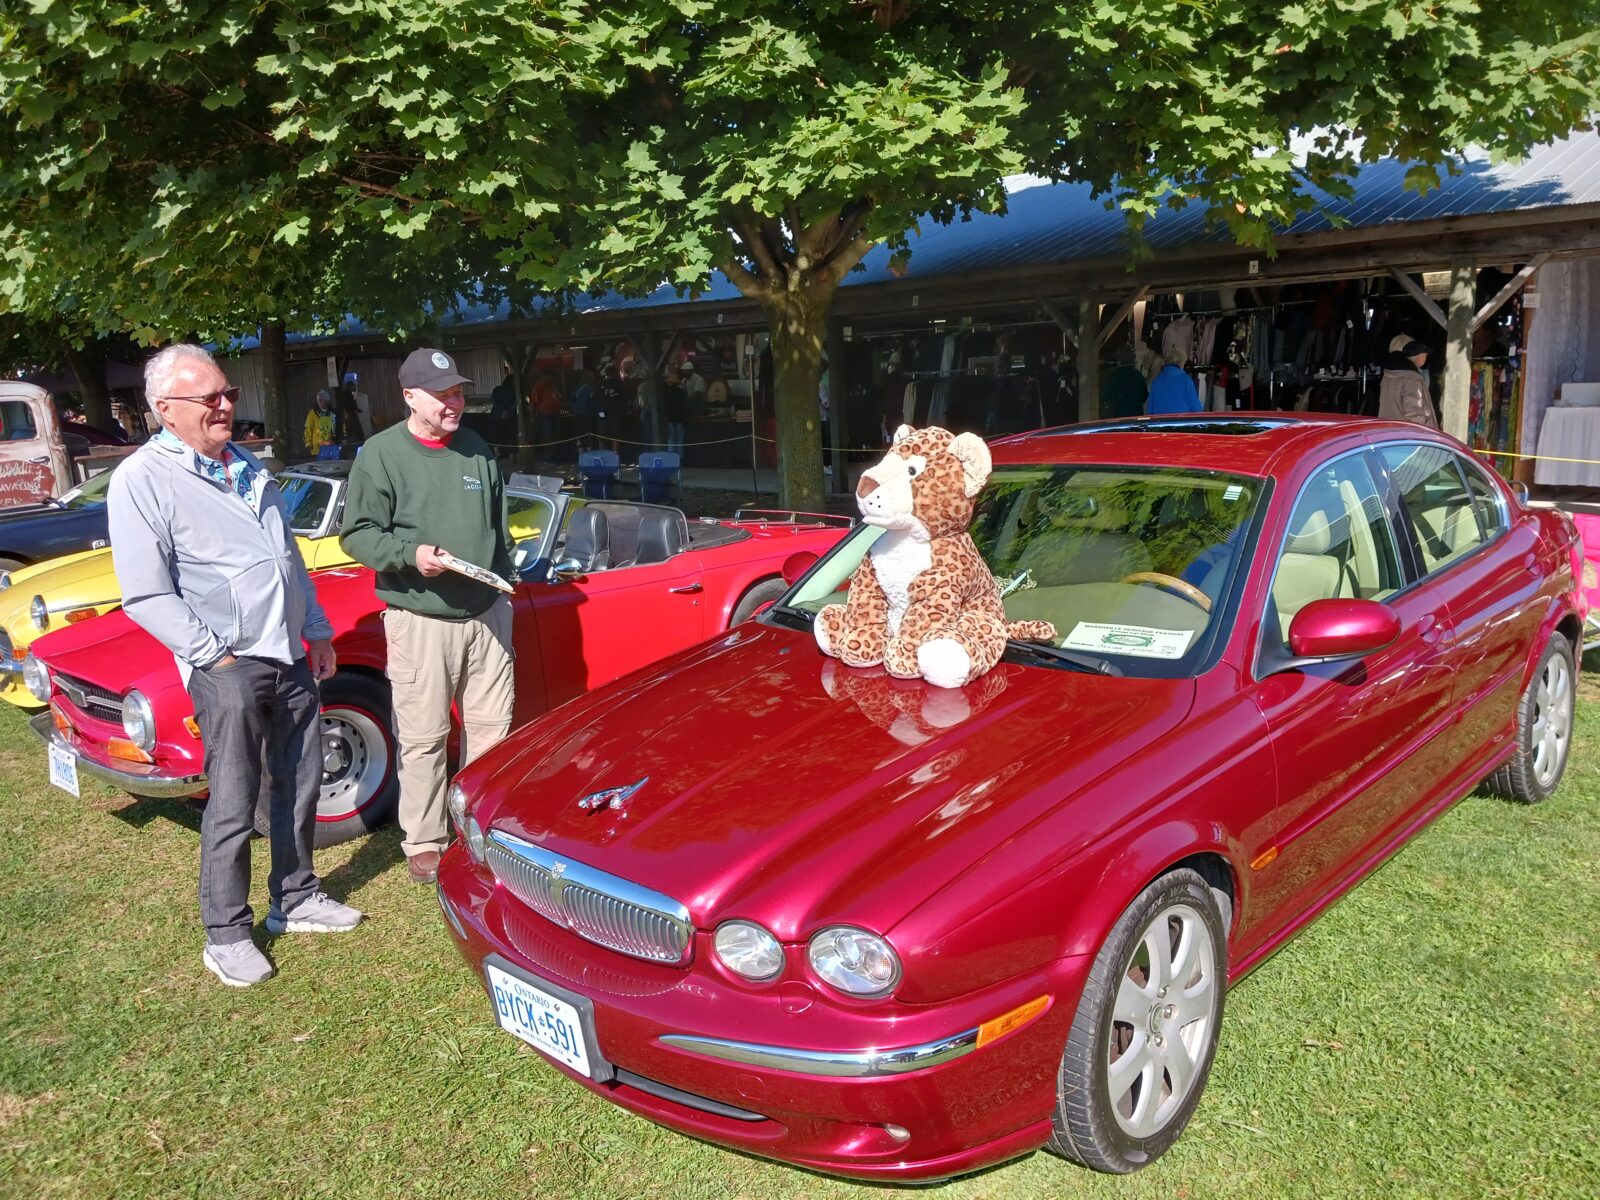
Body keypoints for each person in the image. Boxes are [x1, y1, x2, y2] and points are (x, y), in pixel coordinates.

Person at [109, 343, 357, 989]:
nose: (225, 406)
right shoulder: (144, 478)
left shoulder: (248, 466)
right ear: (165, 409)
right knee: (234, 800)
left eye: (229, 395)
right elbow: (145, 591)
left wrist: (316, 629)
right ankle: (225, 933)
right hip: (227, 666)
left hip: (290, 655)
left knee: (299, 782)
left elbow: (288, 559)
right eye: (210, 398)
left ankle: (296, 898)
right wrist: (212, 654)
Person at [339, 348, 516, 884]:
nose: (453, 404)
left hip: (486, 615)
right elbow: (359, 534)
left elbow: (496, 523)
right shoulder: (381, 454)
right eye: (441, 395)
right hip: (420, 619)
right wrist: (410, 556)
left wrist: (504, 584)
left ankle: (479, 827)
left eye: (457, 393)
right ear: (409, 397)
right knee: (425, 736)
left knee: (495, 731)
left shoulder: (477, 448)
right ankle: (424, 840)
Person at [1377, 335, 1437, 428]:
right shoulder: (1411, 379)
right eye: (1424, 354)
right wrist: (1428, 432)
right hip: (1407, 437)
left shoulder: (1388, 374)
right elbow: (1414, 412)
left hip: (1388, 434)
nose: (1426, 357)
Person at [1146, 348, 1202, 415]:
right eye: (1184, 362)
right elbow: (1195, 407)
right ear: (1181, 363)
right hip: (1181, 422)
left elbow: (1150, 408)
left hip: (1161, 422)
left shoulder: (1156, 381)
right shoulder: (1186, 380)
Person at [661, 366, 687, 459]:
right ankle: (680, 460)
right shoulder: (680, 392)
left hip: (670, 419)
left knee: (671, 442)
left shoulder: (664, 392)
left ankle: (672, 461)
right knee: (679, 442)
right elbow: (684, 406)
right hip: (679, 419)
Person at [304, 388, 336, 456]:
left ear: (327, 401)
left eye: (322, 400)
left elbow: (338, 425)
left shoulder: (333, 413)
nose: (320, 402)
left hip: (331, 446)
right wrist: (308, 443)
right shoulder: (313, 413)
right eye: (318, 400)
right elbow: (308, 428)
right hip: (318, 448)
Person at [334, 387, 365, 452]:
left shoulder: (345, 418)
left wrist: (344, 439)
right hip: (355, 444)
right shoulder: (351, 418)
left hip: (352, 445)